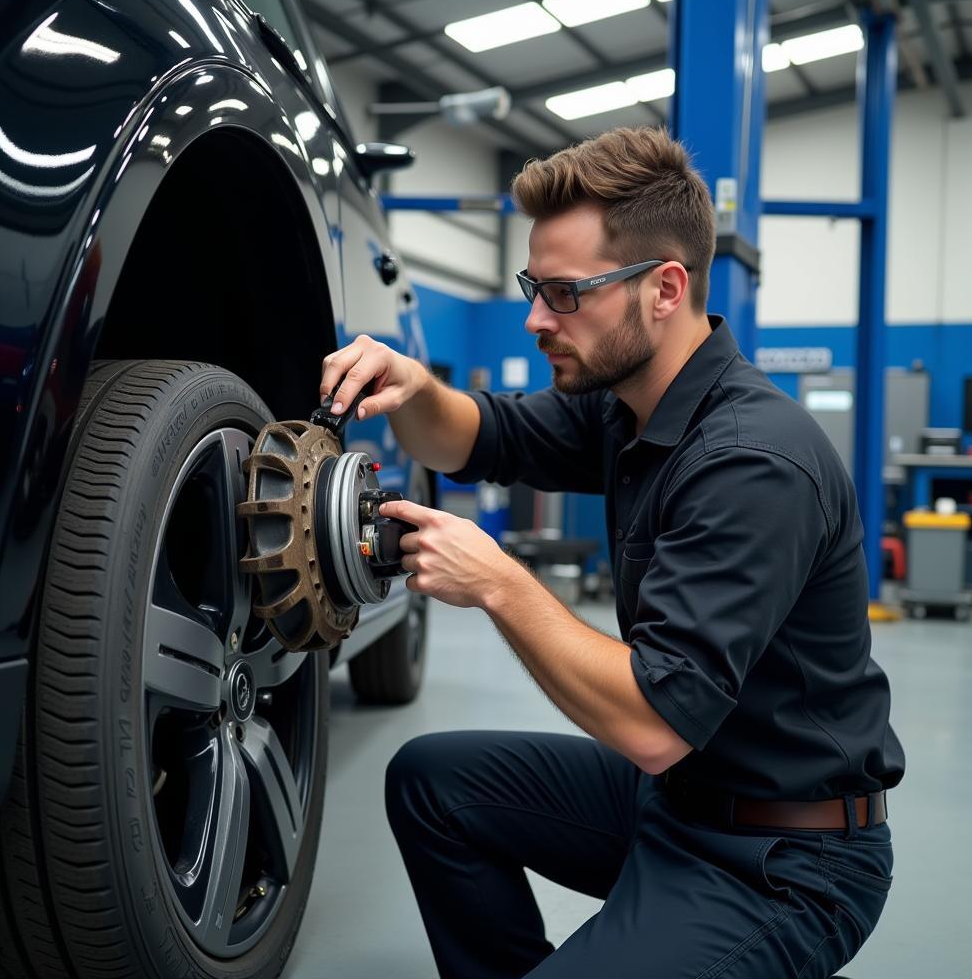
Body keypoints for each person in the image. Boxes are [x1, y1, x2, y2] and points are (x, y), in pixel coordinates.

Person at [318, 126, 904, 978]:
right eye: (532, 287)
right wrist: (411, 385)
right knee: (432, 782)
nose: (534, 319)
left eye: (564, 293)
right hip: (680, 799)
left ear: (665, 289)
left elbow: (655, 725)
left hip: (782, 857)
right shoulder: (625, 403)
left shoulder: (752, 462)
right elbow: (478, 438)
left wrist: (501, 585)